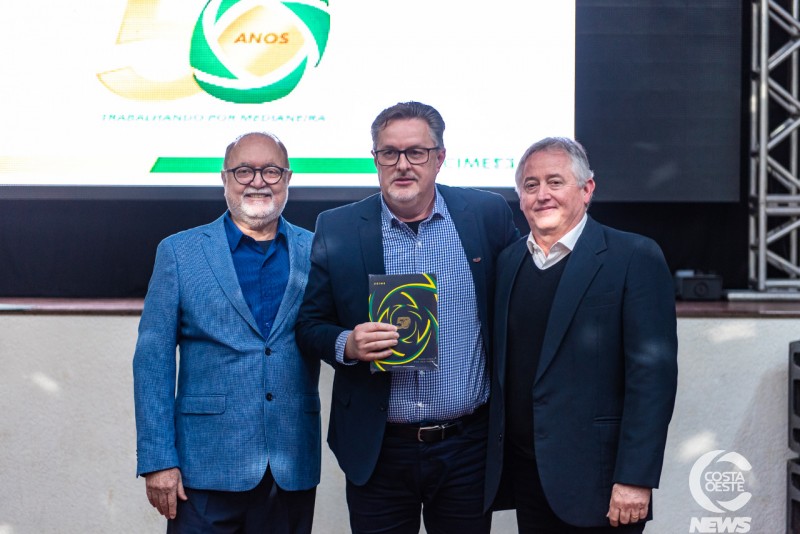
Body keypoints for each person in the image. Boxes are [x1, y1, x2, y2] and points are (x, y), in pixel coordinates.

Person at [295, 101, 519, 534]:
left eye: (416, 152)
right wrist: (347, 344)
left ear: (440, 157)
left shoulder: (485, 214)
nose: (402, 165)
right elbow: (309, 325)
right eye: (389, 153)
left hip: (467, 446)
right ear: (375, 158)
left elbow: (520, 298)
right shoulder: (338, 227)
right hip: (379, 448)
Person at [484, 137, 678, 533]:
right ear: (520, 197)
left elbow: (652, 380)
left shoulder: (634, 257)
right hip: (529, 476)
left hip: (603, 484)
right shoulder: (508, 262)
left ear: (587, 189)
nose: (542, 194)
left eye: (555, 182)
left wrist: (635, 478)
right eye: (531, 185)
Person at [132, 132, 320, 533]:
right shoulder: (179, 253)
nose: (258, 181)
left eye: (271, 171)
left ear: (288, 178)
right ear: (224, 178)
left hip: (289, 466)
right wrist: (158, 460)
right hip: (203, 469)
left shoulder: (318, 251)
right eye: (244, 171)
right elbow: (152, 361)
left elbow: (332, 333)